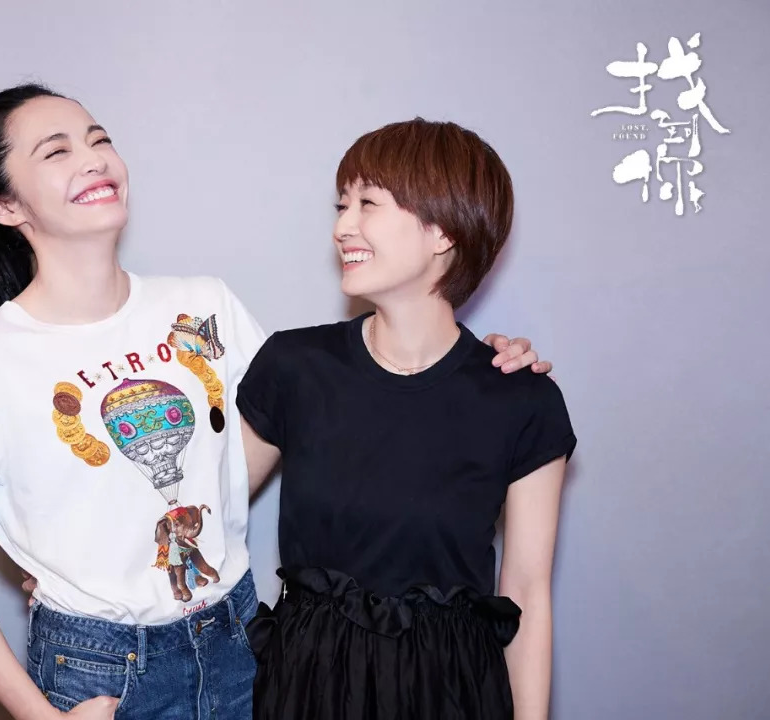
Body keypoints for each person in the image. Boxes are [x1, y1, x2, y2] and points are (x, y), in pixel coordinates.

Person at [0, 83, 554, 720]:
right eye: (57, 151)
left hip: (238, 642)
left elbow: (252, 460)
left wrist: (485, 368)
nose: (93, 159)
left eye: (99, 139)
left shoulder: (204, 307)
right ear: (3, 206)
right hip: (106, 667)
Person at [236, 118, 577, 719]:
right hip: (308, 687)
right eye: (342, 205)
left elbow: (527, 592)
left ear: (443, 230)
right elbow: (199, 514)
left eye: (368, 203)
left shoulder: (521, 399)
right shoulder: (294, 366)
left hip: (452, 695)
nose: (343, 226)